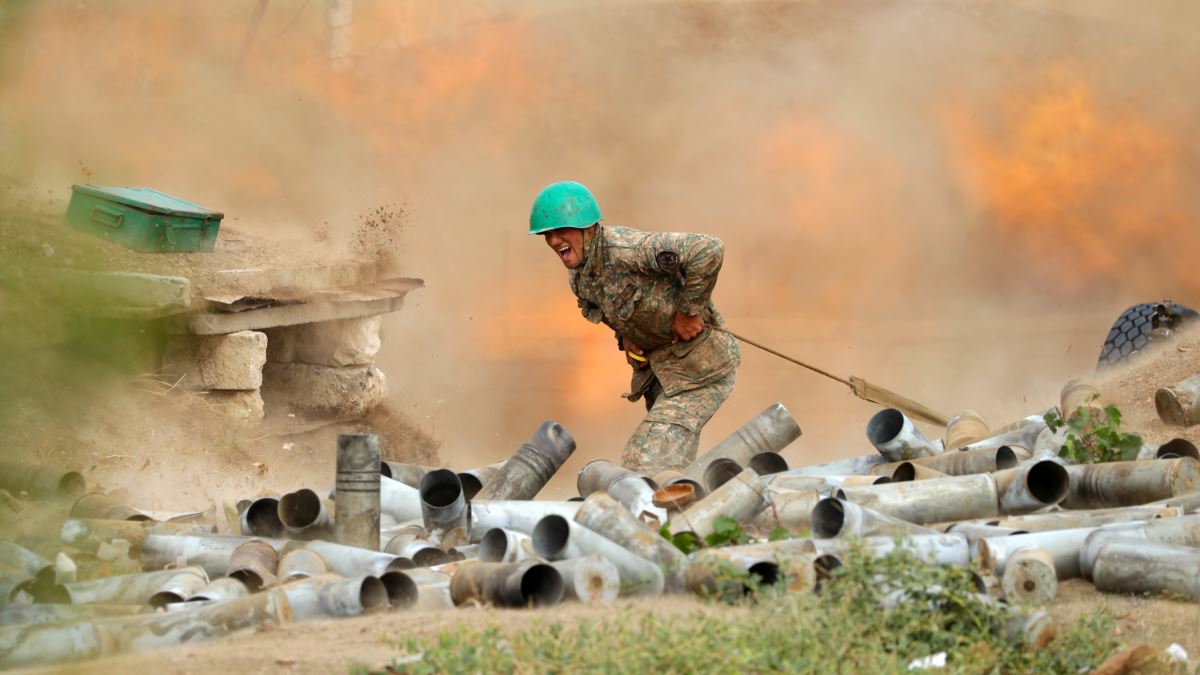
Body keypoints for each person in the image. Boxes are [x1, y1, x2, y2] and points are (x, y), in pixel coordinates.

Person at [529, 180, 740, 476]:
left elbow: (708, 249)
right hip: (661, 375)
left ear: (588, 228)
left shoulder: (630, 251)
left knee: (645, 463)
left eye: (560, 231)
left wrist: (689, 312)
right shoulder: (580, 278)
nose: (553, 241)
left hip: (700, 370)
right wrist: (625, 336)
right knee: (668, 463)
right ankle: (691, 508)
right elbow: (607, 308)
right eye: (547, 235)